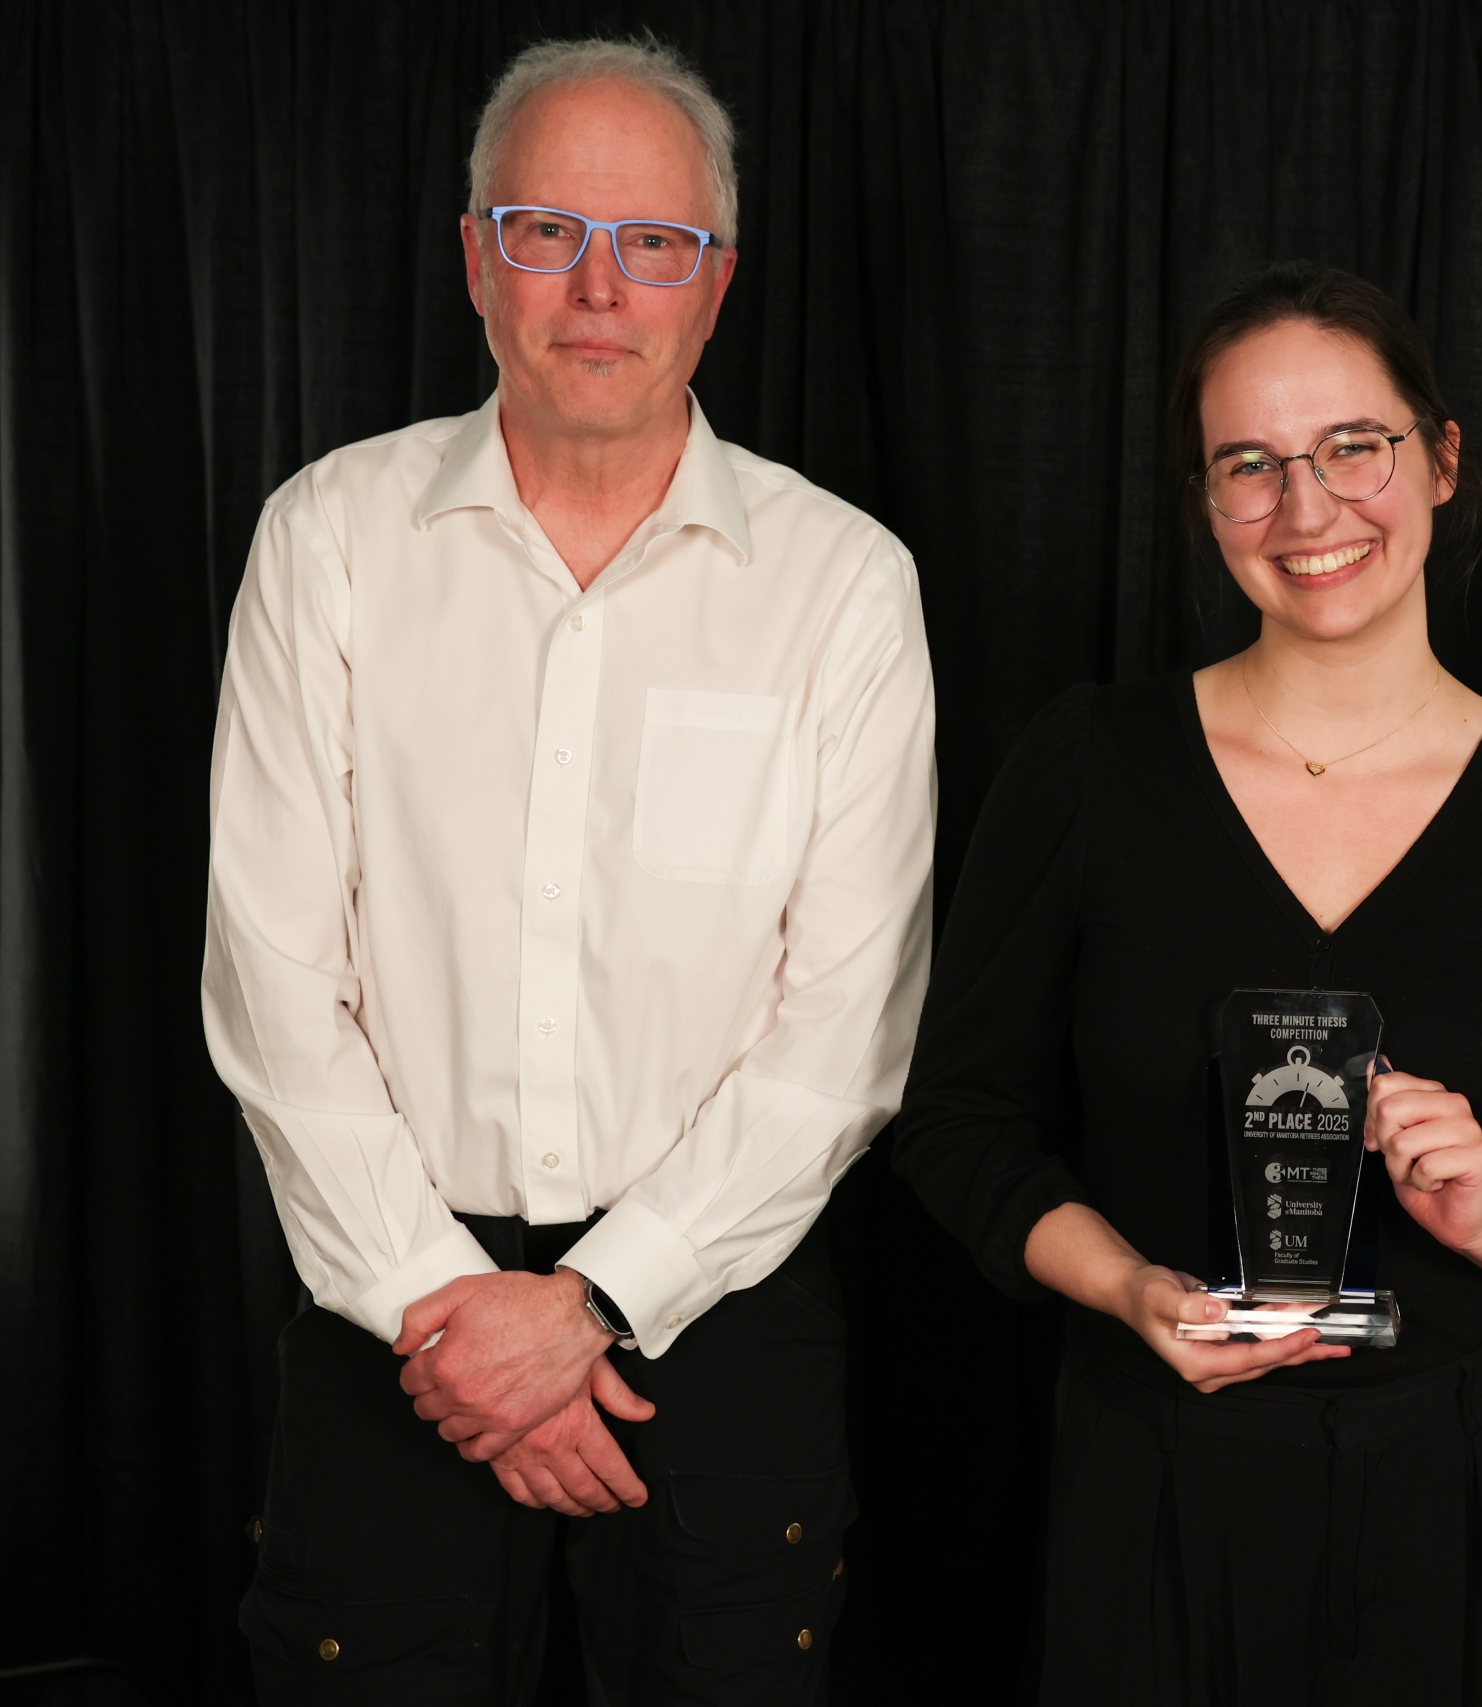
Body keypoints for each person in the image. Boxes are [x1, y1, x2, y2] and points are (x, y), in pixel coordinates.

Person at [202, 38, 934, 1702]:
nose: (598, 288)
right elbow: (271, 983)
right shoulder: (326, 542)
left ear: (717, 283)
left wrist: (590, 1303)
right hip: (389, 1302)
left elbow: (846, 1030)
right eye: (545, 229)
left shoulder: (842, 586)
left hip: (719, 1310)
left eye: (653, 242)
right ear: (476, 259)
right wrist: (449, 1313)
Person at [893, 261, 1482, 1704]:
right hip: (1153, 1488)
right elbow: (959, 1120)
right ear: (1206, 501)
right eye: (1250, 465)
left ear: (1442, 460)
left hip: (1472, 1502)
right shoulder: (1086, 768)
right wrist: (1125, 1283)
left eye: (1353, 448)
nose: (1308, 510)